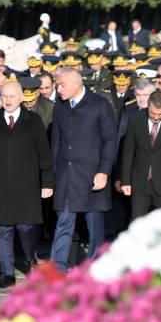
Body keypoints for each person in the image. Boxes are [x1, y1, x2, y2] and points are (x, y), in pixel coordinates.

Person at [0, 81, 55, 289]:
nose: (8, 101)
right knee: (3, 229)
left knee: (26, 227)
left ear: (22, 98)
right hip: (0, 186)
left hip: (26, 186)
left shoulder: (34, 121)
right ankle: (6, 273)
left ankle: (29, 259)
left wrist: (47, 182)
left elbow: (44, 155)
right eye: (4, 97)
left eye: (13, 96)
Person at [49, 67, 118, 271]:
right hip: (66, 175)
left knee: (94, 225)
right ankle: (57, 268)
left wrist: (104, 172)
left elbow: (110, 141)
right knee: (63, 222)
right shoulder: (60, 106)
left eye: (62, 85)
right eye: (57, 84)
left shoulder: (99, 104)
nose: (58, 89)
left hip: (92, 176)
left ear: (77, 84)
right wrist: (54, 173)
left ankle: (95, 268)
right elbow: (56, 142)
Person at [120, 91, 161, 220]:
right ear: (148, 107)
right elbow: (128, 151)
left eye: (160, 114)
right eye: (153, 113)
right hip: (140, 184)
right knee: (137, 225)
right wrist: (125, 181)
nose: (156, 117)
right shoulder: (136, 118)